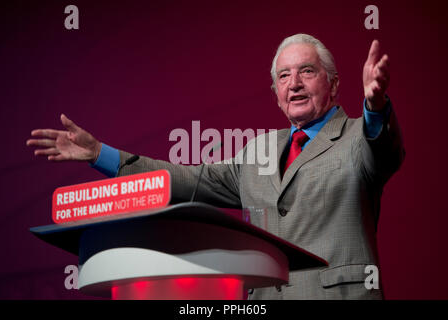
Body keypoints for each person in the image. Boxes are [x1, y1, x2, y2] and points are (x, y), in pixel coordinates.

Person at [27, 34, 404, 299]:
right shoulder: (258, 149)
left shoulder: (358, 137)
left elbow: (382, 147)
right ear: (276, 95)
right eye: (283, 76)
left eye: (307, 71)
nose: (295, 84)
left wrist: (375, 105)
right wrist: (100, 154)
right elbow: (185, 180)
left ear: (334, 85)